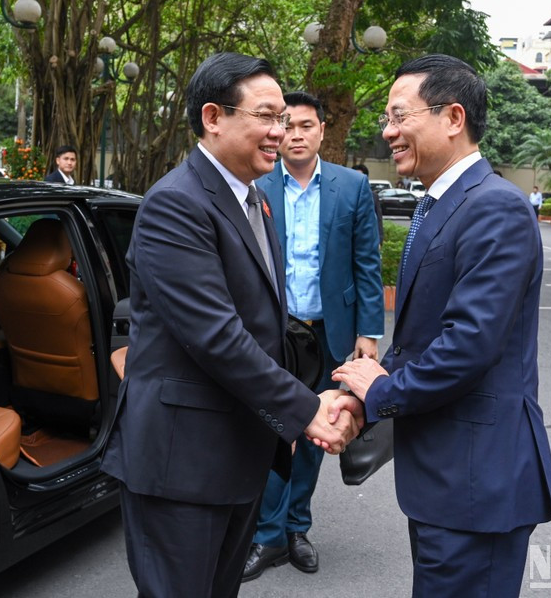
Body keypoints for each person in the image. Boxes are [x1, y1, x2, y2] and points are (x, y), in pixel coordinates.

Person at [100, 52, 362, 598]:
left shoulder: (252, 201)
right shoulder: (176, 203)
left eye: (284, 120)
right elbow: (217, 336)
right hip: (181, 463)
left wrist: (296, 407)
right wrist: (307, 408)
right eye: (266, 117)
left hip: (236, 455)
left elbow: (266, 325)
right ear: (213, 117)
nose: (279, 133)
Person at [331, 54, 551, 598]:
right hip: (448, 479)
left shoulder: (495, 208)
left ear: (453, 118)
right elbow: (419, 338)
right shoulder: (440, 204)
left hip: (477, 482)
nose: (388, 132)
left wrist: (382, 392)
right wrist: (360, 399)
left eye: (399, 116)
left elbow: (467, 344)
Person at [243, 92, 384, 582]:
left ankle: (297, 528)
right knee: (270, 430)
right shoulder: (256, 187)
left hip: (329, 334)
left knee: (318, 427)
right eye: (287, 125)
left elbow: (367, 262)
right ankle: (266, 535)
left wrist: (369, 331)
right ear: (277, 132)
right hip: (271, 335)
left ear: (323, 130)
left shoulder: (352, 187)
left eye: (306, 125)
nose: (296, 134)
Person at [352, 162, 384, 243]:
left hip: (368, 241)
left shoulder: (373, 196)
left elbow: (378, 220)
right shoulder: (344, 196)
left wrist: (380, 240)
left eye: (359, 177)